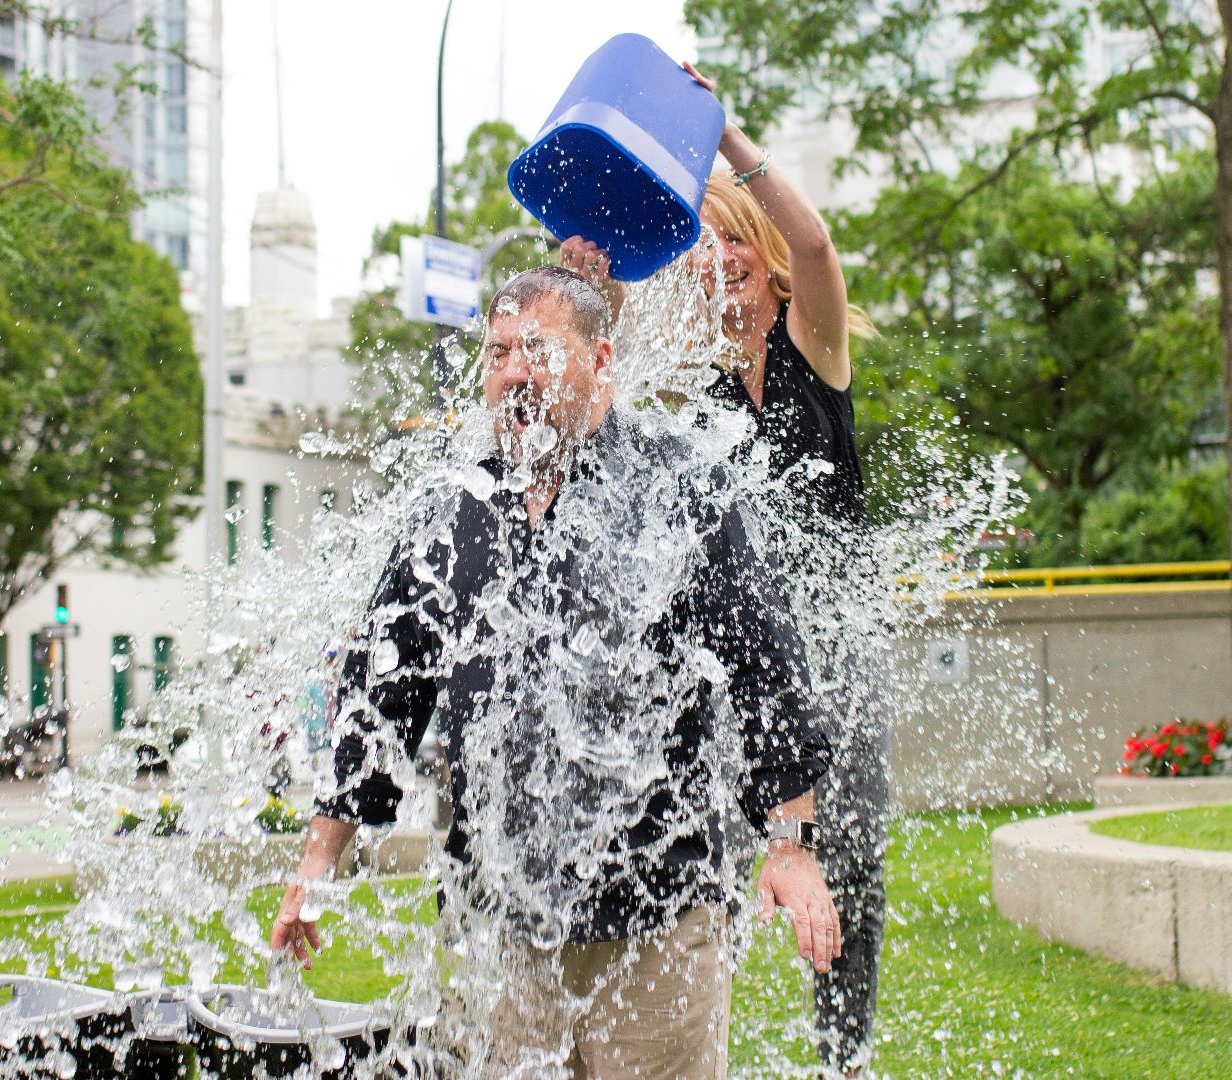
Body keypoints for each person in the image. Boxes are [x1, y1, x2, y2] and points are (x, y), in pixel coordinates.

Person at [269, 266, 840, 1078]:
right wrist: (316, 866)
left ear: (601, 357)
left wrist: (789, 843)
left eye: (538, 350)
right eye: (499, 351)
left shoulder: (678, 485)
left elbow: (767, 666)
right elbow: (380, 698)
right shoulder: (452, 507)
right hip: (499, 923)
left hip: (657, 920)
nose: (514, 372)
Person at [563, 61, 888, 1078]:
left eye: (736, 260)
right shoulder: (697, 403)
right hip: (747, 664)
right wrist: (592, 290)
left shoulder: (814, 352)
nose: (720, 278)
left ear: (766, 266)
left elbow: (819, 243)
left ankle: (843, 1059)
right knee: (701, 846)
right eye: (706, 265)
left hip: (837, 661)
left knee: (848, 863)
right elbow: (603, 410)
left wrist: (732, 142)